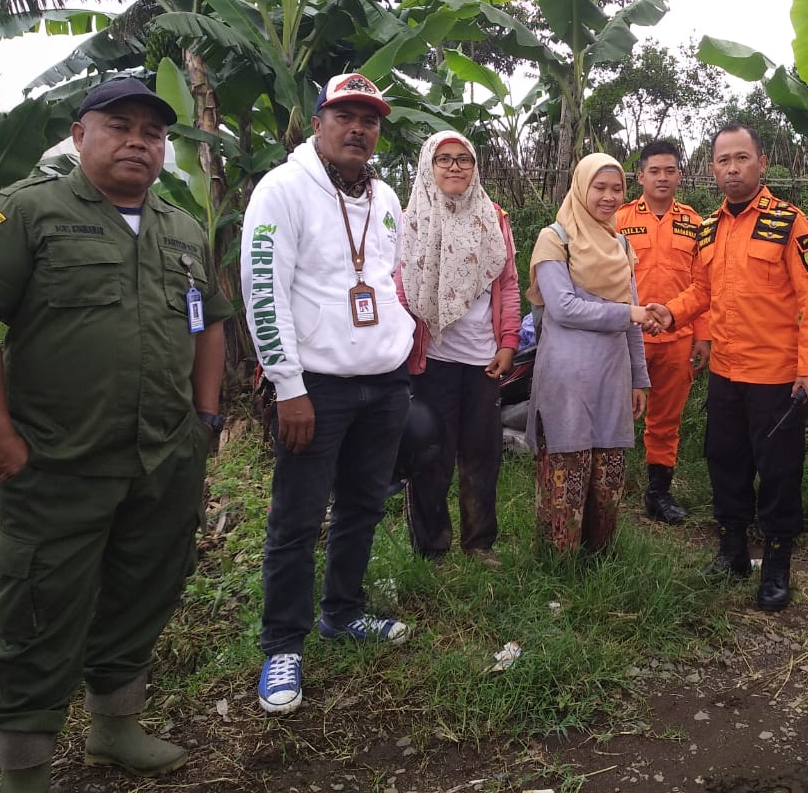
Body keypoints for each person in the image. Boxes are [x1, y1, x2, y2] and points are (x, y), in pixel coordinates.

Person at [0, 78, 229, 793]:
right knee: (38, 607)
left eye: (153, 134)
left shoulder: (181, 227)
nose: (138, 142)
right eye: (119, 126)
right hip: (57, 457)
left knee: (142, 592)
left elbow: (209, 319)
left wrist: (205, 416)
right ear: (78, 135)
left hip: (162, 455)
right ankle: (24, 769)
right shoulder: (26, 212)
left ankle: (114, 727)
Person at [240, 72, 415, 716]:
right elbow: (265, 288)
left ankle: (343, 612)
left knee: (364, 504)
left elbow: (389, 278)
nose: (358, 128)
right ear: (318, 122)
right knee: (296, 516)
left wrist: (402, 342)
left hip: (385, 380)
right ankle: (282, 642)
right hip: (315, 386)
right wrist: (287, 385)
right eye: (345, 115)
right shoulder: (282, 190)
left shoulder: (387, 195)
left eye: (369, 119)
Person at [649, 123, 808, 613]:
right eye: (723, 160)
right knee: (724, 463)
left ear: (761, 163)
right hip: (726, 371)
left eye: (741, 158)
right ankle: (731, 551)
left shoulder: (791, 224)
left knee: (778, 471)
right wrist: (672, 310)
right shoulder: (709, 227)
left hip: (776, 376)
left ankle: (775, 563)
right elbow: (701, 293)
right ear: (712, 169)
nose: (732, 168)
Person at [398, 130, 521, 568]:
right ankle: (431, 546)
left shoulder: (494, 217)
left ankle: (479, 542)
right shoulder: (412, 219)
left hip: (483, 359)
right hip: (433, 358)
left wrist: (508, 342)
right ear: (429, 166)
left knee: (482, 452)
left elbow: (507, 285)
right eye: (444, 159)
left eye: (464, 159)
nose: (455, 167)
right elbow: (400, 287)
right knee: (431, 453)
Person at [526, 153, 654, 554]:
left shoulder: (619, 244)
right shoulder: (555, 238)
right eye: (600, 187)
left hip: (612, 373)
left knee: (607, 471)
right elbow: (563, 307)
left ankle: (599, 556)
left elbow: (632, 319)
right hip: (567, 374)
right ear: (581, 187)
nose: (609, 196)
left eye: (617, 188)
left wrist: (639, 378)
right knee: (567, 465)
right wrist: (628, 313)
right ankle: (557, 562)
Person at [615, 139, 711, 525]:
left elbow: (705, 284)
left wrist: (703, 336)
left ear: (680, 176)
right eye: (654, 170)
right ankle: (608, 487)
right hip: (625, 336)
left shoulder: (695, 223)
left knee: (665, 420)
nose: (662, 177)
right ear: (639, 176)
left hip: (677, 337)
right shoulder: (618, 219)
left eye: (670, 170)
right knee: (616, 412)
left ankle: (658, 493)